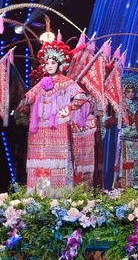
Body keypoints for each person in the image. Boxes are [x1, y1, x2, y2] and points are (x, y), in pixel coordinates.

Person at [18, 35, 87, 192]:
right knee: (39, 160)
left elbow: (81, 97)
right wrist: (25, 106)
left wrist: (67, 109)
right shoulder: (41, 84)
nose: (49, 65)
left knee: (58, 160)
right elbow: (27, 99)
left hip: (57, 127)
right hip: (39, 129)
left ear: (60, 64)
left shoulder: (67, 83)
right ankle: (39, 194)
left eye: (53, 63)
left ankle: (58, 194)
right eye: (47, 63)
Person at [112, 73, 138, 190]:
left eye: (132, 91)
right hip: (127, 137)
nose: (130, 94)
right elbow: (116, 120)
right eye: (128, 91)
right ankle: (125, 187)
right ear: (124, 92)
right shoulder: (121, 105)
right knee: (126, 162)